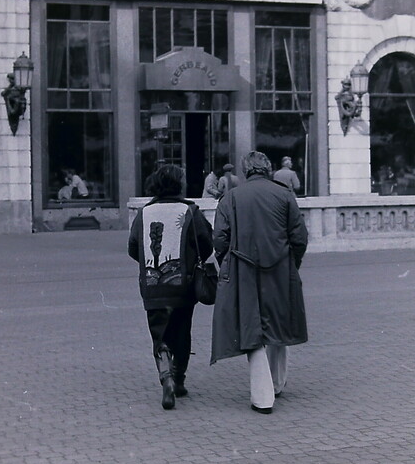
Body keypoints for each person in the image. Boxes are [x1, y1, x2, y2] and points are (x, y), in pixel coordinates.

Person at [211, 151, 308, 414]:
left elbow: (220, 238)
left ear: (245, 171)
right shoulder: (285, 194)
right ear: (268, 169)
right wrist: (291, 264)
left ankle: (263, 397)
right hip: (280, 267)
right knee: (278, 323)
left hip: (244, 268)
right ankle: (277, 384)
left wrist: (226, 262)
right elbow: (299, 237)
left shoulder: (231, 197)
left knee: (251, 328)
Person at [128, 164, 213, 410]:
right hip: (182, 285)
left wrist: (149, 266)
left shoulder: (144, 213)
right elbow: (206, 242)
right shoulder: (189, 210)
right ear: (179, 184)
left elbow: (133, 247)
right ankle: (179, 379)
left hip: (152, 286)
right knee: (182, 332)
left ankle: (165, 376)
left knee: (160, 334)